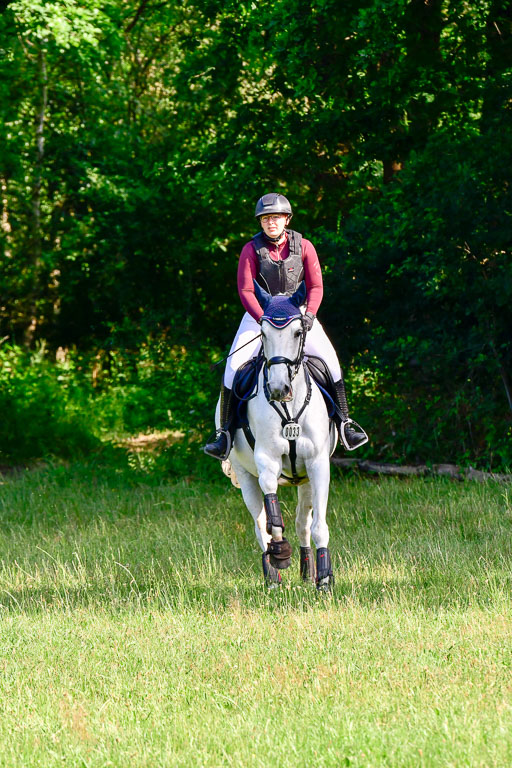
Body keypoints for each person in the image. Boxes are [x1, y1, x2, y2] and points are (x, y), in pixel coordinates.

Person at [204, 192, 368, 460]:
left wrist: (310, 314)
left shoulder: (304, 246)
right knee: (233, 368)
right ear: (261, 222)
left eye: (276, 218)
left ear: (286, 219)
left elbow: (316, 286)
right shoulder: (251, 249)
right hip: (260, 314)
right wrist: (261, 319)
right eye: (266, 219)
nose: (271, 223)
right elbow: (246, 290)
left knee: (331, 361)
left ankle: (346, 423)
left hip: (298, 315)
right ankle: (225, 434)